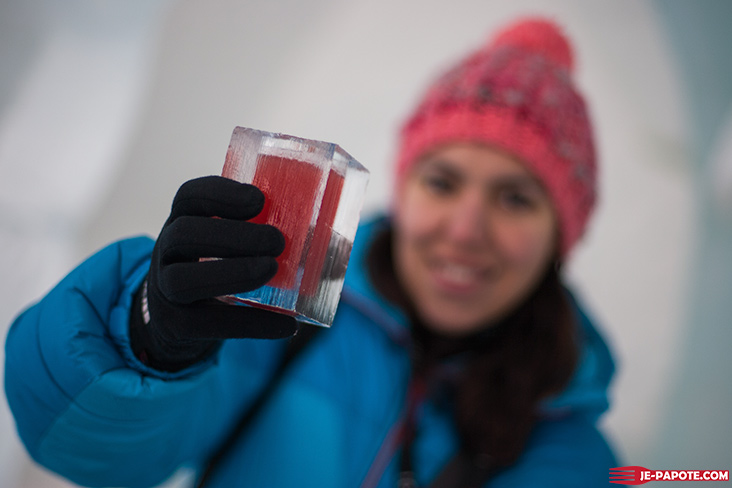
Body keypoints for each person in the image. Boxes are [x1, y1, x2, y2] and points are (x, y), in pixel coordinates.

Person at [4, 17, 617, 488]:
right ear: (403, 190)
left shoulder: (575, 452)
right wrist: (146, 339)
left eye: (515, 198)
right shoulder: (279, 317)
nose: (465, 230)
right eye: (442, 182)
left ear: (563, 233)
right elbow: (79, 447)